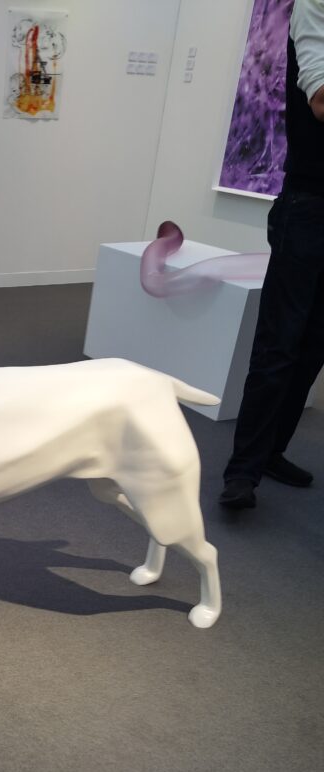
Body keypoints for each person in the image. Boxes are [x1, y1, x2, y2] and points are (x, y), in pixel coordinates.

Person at [220, 0, 324, 509]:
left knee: (313, 346)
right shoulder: (315, 7)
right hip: (309, 207)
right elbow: (321, 100)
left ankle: (271, 452)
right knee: (278, 345)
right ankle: (242, 472)